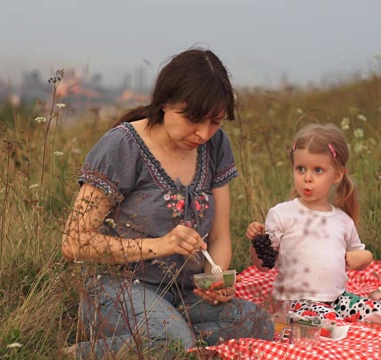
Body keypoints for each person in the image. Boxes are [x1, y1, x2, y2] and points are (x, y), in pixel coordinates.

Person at [61, 48, 274, 358]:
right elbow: (74, 242)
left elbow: (220, 237)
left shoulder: (216, 145)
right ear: (165, 103)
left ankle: (172, 346)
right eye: (193, 119)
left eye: (214, 122)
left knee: (257, 323)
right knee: (172, 340)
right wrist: (163, 245)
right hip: (116, 289)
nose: (203, 133)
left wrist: (216, 279)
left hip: (186, 294)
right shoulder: (121, 146)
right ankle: (76, 353)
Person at [246, 123, 381, 323]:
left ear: (337, 175)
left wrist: (365, 257)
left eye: (318, 170)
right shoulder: (282, 214)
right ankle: (300, 321)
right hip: (296, 301)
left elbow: (360, 256)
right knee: (324, 321)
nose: (307, 178)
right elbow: (264, 266)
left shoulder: (343, 220)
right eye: (300, 169)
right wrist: (257, 242)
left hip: (337, 298)